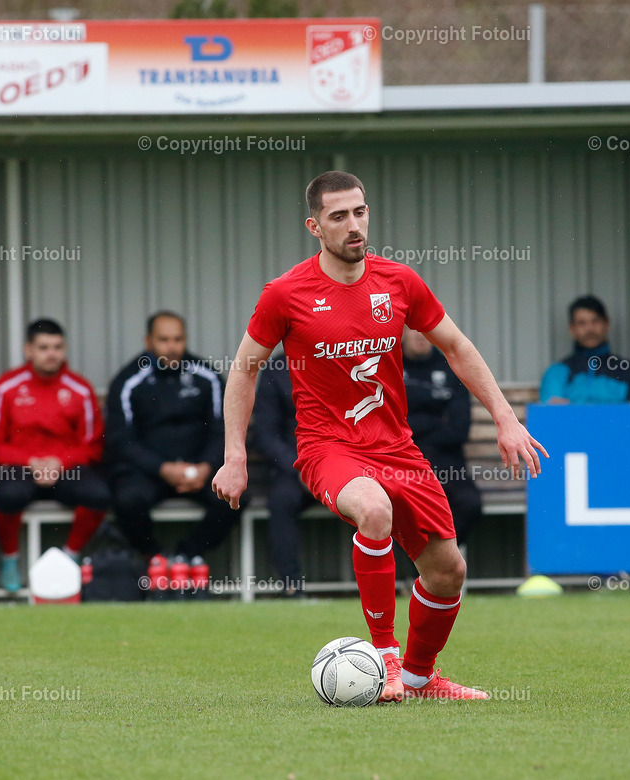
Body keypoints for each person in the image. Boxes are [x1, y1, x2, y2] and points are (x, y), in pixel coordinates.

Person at [213, 171, 547, 701]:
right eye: (338, 216)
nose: (354, 225)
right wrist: (235, 455)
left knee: (447, 572)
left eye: (360, 212)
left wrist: (506, 418)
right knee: (373, 509)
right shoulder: (285, 293)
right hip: (328, 447)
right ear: (314, 227)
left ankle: (418, 678)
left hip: (397, 447)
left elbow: (457, 347)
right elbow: (245, 369)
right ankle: (386, 657)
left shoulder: (399, 281)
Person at [106, 311, 241, 593]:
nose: (172, 346)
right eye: (164, 340)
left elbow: (223, 430)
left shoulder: (207, 377)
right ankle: (154, 556)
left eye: (178, 339)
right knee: (127, 500)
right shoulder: (129, 381)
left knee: (234, 496)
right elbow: (121, 440)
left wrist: (206, 466)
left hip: (200, 471)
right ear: (148, 342)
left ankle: (187, 554)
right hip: (149, 473)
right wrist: (161, 468)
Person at [0, 318, 108, 593]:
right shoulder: (6, 387)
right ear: (28, 350)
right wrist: (30, 462)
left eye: (57, 347)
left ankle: (69, 557)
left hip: (66, 468)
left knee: (98, 494)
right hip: (22, 466)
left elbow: (92, 445)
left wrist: (59, 463)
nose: (51, 354)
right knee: (8, 494)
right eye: (44, 347)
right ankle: (9, 560)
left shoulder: (80, 389)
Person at [402, 327, 483, 544]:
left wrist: (412, 426)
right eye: (414, 329)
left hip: (446, 460)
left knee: (469, 503)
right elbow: (385, 423)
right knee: (397, 506)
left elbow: (459, 429)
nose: (420, 335)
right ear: (403, 332)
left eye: (424, 329)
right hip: (401, 458)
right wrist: (436, 421)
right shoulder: (387, 365)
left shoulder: (451, 367)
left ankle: (441, 558)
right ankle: (421, 561)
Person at [251, 351, 310, 595]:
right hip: (294, 468)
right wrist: (300, 467)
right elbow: (266, 434)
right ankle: (291, 586)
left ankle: (384, 583)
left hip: (339, 463)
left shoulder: (338, 359)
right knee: (282, 501)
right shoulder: (276, 369)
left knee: (376, 498)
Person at [540, 295, 630, 403]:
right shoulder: (556, 373)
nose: (590, 329)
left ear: (607, 324)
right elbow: (551, 411)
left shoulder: (629, 371)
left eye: (595, 321)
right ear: (572, 329)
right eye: (582, 323)